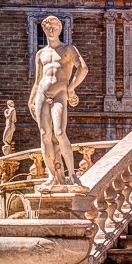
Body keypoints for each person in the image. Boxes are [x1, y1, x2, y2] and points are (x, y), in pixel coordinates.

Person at [29, 16, 88, 188]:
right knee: (44, 135)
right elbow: (37, 80)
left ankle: (73, 175)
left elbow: (83, 69)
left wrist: (71, 88)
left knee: (60, 133)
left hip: (60, 94)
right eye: (48, 26)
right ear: (44, 30)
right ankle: (51, 176)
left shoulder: (69, 49)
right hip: (41, 94)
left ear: (60, 29)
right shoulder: (41, 54)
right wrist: (31, 100)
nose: (52, 29)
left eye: (55, 26)